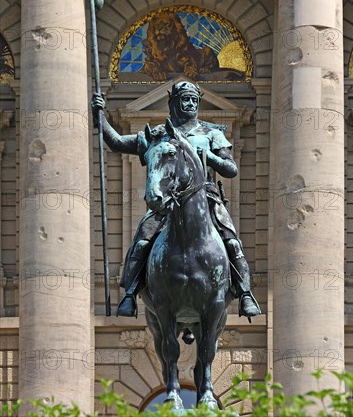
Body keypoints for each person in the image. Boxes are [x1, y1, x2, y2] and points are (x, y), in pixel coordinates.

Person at [91, 82, 261, 320]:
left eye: (194, 100)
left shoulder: (212, 133)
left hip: (207, 200)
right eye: (185, 99)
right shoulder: (159, 136)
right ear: (174, 103)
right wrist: (100, 118)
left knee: (231, 242)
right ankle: (130, 292)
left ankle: (244, 293)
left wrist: (209, 156)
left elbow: (230, 169)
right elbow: (117, 143)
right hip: (168, 203)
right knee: (142, 239)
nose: (190, 104)